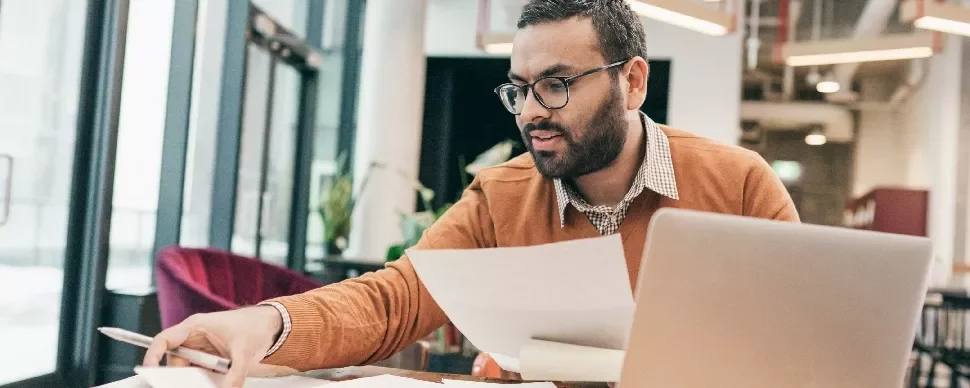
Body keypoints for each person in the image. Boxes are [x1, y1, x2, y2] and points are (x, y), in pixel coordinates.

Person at [144, 0, 798, 386]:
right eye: (520, 87)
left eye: (558, 83)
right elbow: (394, 300)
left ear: (631, 82)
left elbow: (797, 350)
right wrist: (267, 321)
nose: (532, 112)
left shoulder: (738, 185)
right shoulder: (500, 196)